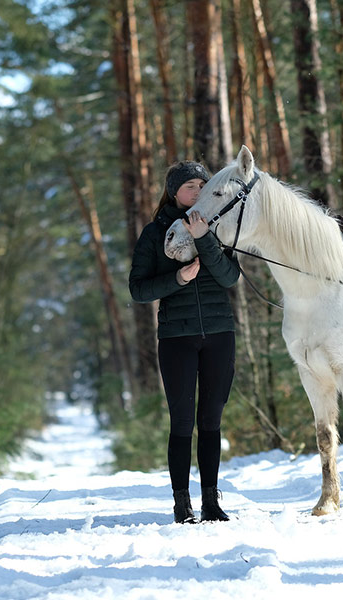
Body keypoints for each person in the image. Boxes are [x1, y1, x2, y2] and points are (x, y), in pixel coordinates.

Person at [129, 160, 240, 524]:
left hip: (219, 335)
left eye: (203, 185)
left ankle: (211, 501)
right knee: (181, 422)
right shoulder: (155, 232)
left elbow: (229, 278)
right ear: (174, 192)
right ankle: (182, 503)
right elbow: (138, 289)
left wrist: (204, 237)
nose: (197, 191)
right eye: (190, 186)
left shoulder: (218, 226)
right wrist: (177, 279)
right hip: (177, 338)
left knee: (211, 419)